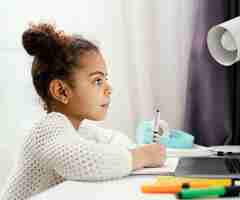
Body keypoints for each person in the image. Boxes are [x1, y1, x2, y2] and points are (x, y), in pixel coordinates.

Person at [0, 23, 166, 200]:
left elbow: (115, 139)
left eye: (105, 79)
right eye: (97, 81)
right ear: (61, 91)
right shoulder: (48, 130)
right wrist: (140, 156)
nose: (108, 88)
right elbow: (86, 161)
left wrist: (132, 152)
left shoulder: (79, 131)